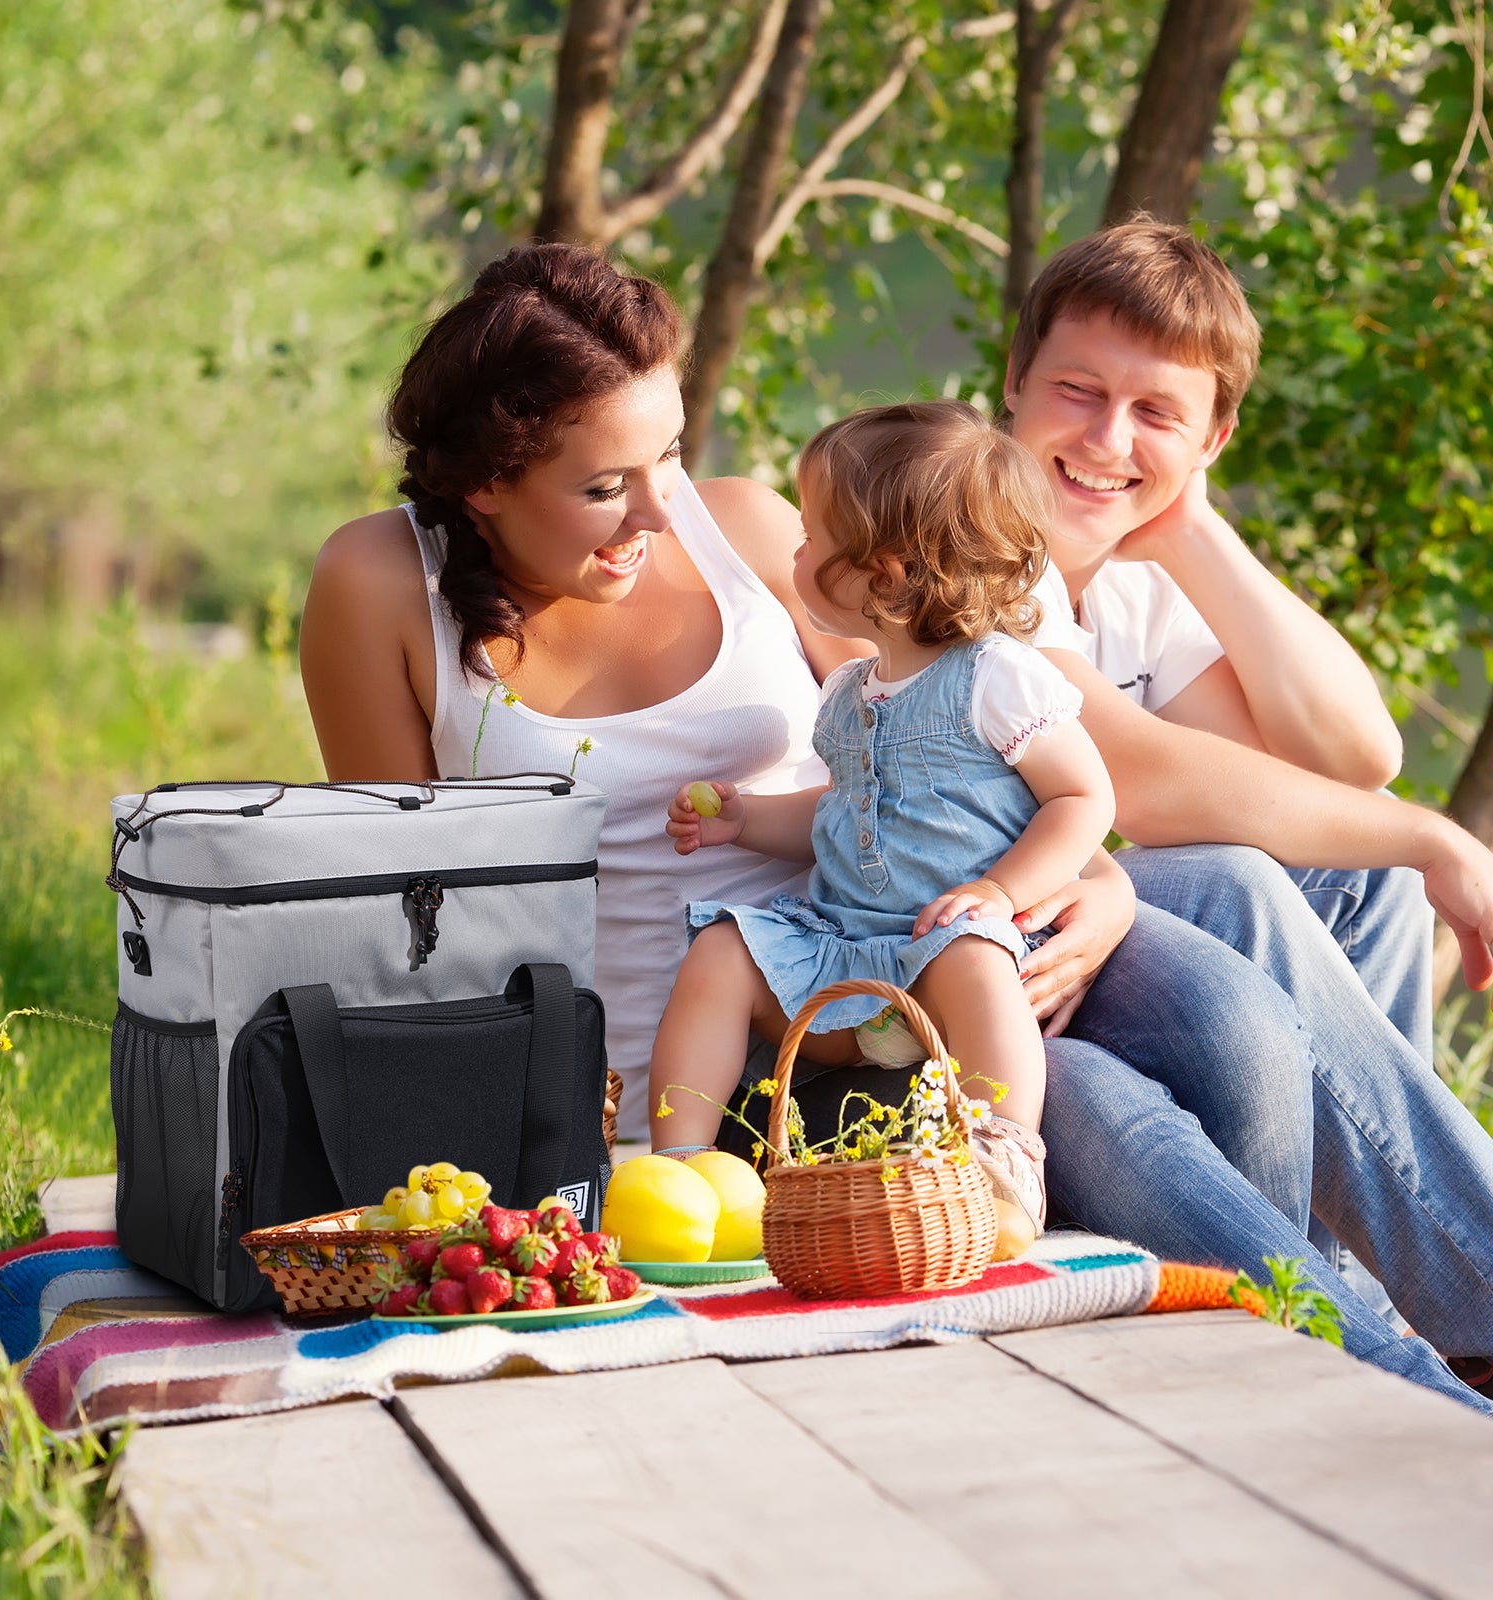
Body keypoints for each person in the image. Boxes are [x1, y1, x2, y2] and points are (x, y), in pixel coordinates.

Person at [298, 240, 1493, 1409]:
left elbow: (951, 734)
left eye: (669, 453)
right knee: (1094, 1097)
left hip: (925, 920)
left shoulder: (742, 525)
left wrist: (1103, 881)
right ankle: (1393, 1383)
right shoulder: (381, 585)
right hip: (766, 1044)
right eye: (605, 485)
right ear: (484, 483)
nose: (660, 510)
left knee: (1237, 953)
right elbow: (407, 922)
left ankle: (1456, 1318)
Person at [1000, 219, 1493, 1355]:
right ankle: (1472, 1279)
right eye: (1078, 390)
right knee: (1238, 880)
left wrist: (1195, 530)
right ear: (1014, 378)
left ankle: (1391, 1286)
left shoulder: (1130, 580)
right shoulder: (963, 532)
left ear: (1215, 435)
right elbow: (1138, 778)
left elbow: (1345, 758)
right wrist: (1436, 837)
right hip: (974, 940)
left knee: (1361, 868)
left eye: (1157, 413)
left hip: (1088, 936)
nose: (1107, 438)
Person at [649, 402, 1116, 1234]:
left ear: (886, 575)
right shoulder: (848, 692)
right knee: (722, 949)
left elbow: (1085, 798)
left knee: (972, 955)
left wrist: (1000, 893)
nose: (794, 552)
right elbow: (843, 814)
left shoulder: (996, 677)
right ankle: (681, 1171)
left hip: (946, 961)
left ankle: (1000, 1158)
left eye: (811, 537)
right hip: (848, 955)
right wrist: (745, 821)